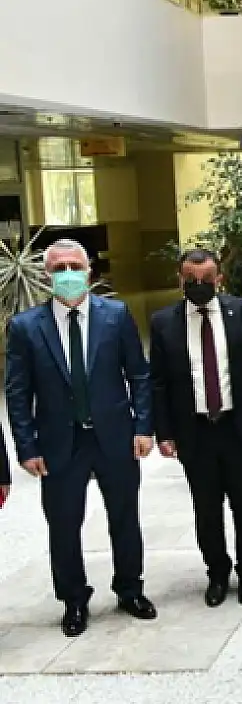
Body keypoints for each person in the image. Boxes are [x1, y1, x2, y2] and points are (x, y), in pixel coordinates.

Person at [4, 239, 155, 637]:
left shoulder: (115, 315)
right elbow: (17, 393)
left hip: (115, 437)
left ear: (89, 271)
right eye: (59, 268)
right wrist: (27, 446)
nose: (68, 273)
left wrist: (143, 426)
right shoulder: (25, 327)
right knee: (64, 524)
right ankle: (73, 599)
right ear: (47, 275)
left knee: (125, 517)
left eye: (75, 266)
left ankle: (130, 589)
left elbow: (139, 374)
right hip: (59, 443)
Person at [149, 248, 242, 607]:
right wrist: (164, 432)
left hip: (238, 426)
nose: (199, 285)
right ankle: (217, 573)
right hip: (194, 431)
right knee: (206, 510)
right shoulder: (164, 323)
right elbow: (157, 382)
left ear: (219, 278)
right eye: (191, 279)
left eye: (206, 278)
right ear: (180, 280)